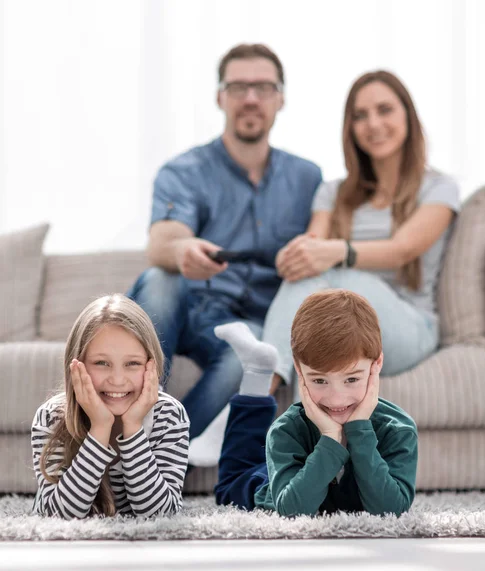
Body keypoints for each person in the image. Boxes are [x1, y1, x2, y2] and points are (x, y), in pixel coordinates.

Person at [126, 43, 322, 464]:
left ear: (280, 98)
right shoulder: (185, 170)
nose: (251, 98)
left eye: (263, 87)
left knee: (250, 352)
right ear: (220, 97)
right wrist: (182, 249)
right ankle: (133, 414)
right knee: (161, 278)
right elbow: (160, 241)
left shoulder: (309, 179)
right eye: (238, 86)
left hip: (253, 322)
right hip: (196, 308)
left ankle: (152, 460)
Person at [262, 70, 461, 395]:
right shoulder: (332, 192)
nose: (373, 123)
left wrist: (339, 252)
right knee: (318, 308)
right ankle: (306, 440)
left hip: (409, 327)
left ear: (407, 116)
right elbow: (312, 249)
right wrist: (293, 257)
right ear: (350, 129)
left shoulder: (439, 188)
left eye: (384, 110)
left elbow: (403, 249)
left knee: (332, 291)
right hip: (340, 321)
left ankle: (254, 398)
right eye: (360, 116)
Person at [214, 289, 418, 517]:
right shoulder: (286, 430)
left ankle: (260, 368)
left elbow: (392, 511)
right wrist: (331, 437)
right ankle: (256, 375)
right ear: (299, 370)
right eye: (320, 380)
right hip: (272, 482)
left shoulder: (398, 429)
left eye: (352, 379)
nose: (336, 399)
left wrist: (359, 430)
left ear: (376, 364)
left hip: (300, 466)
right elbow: (292, 512)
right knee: (229, 487)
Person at [31, 294, 189, 519]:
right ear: (76, 366)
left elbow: (159, 515)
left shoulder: (169, 416)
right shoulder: (51, 417)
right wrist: (100, 428)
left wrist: (133, 427)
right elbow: (60, 516)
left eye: (132, 364)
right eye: (101, 363)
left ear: (151, 366)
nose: (117, 379)